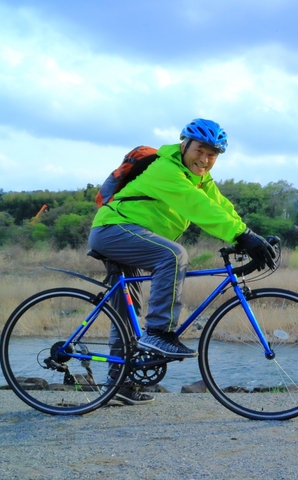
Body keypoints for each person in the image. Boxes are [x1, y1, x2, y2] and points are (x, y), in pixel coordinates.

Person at [89, 118, 276, 404]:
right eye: (200, 150)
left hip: (132, 234)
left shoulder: (200, 178)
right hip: (113, 229)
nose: (205, 159)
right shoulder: (165, 168)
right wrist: (242, 237)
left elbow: (219, 207)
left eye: (212, 154)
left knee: (126, 314)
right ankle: (157, 333)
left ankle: (119, 384)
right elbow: (196, 206)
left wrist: (252, 236)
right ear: (184, 144)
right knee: (172, 255)